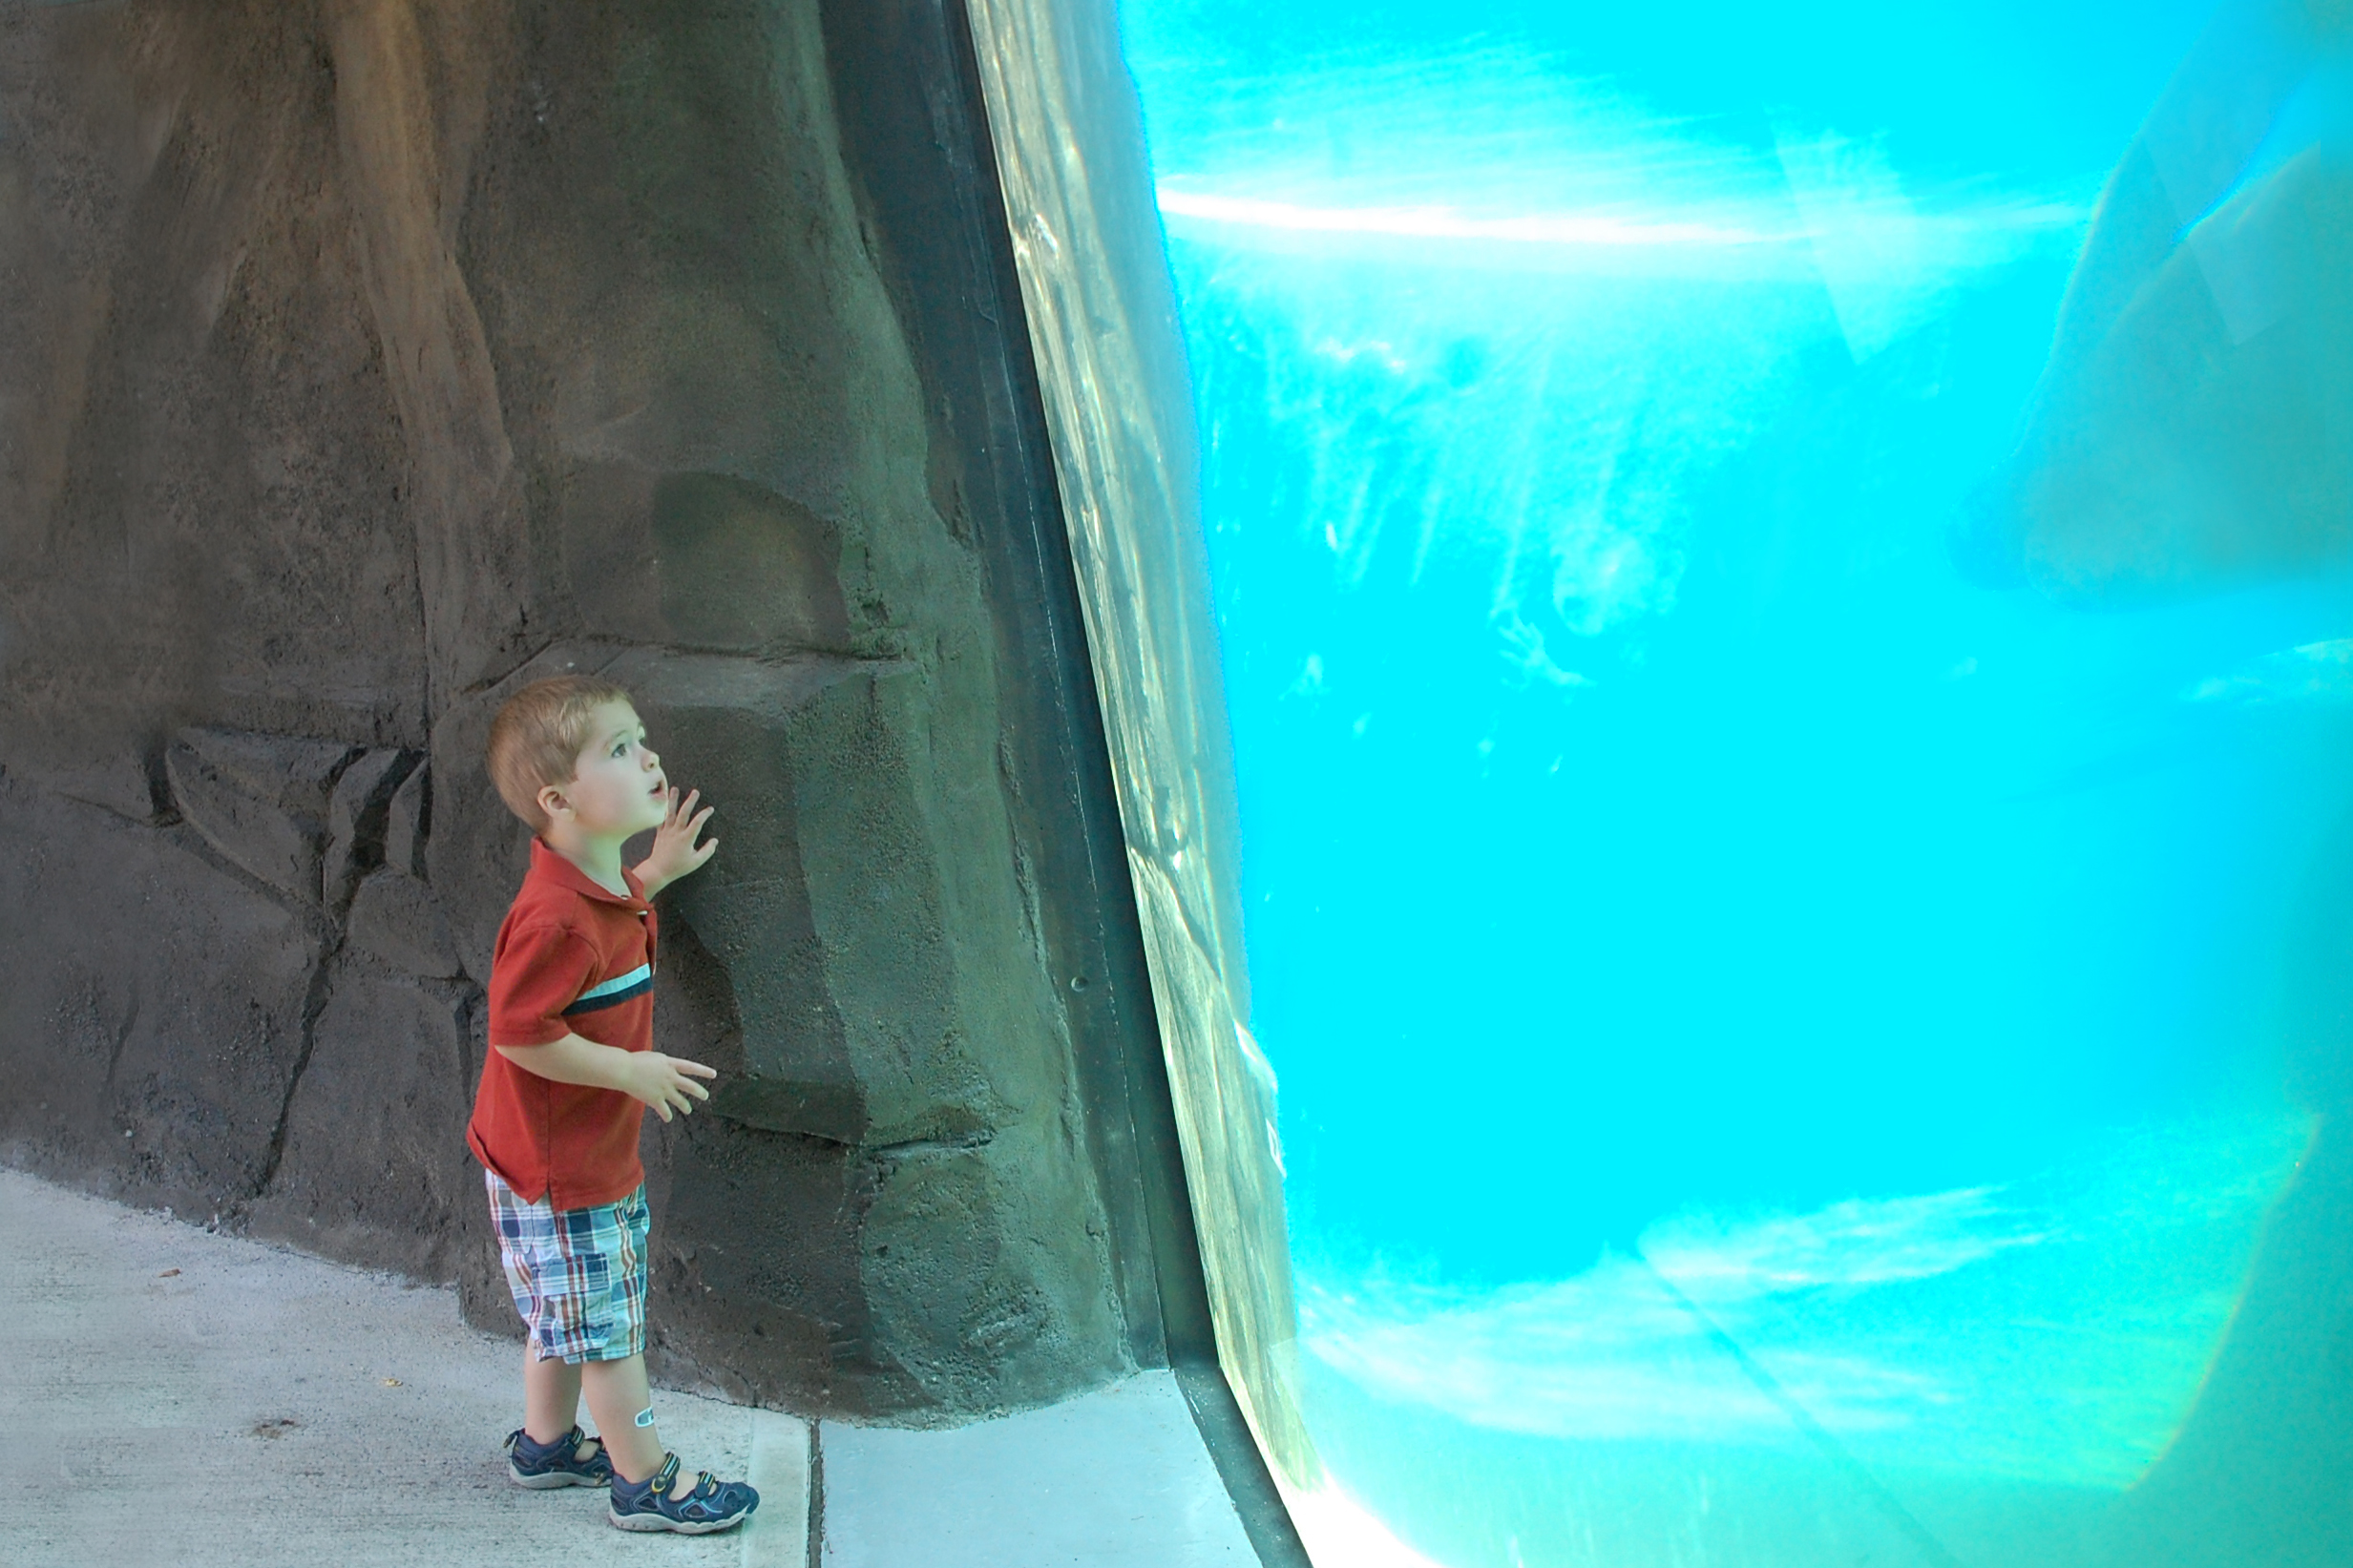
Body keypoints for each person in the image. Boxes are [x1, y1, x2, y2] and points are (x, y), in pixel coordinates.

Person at [465, 674, 760, 1535]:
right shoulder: (553, 918)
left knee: (565, 1316)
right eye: (621, 750)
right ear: (558, 801)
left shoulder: (592, 889)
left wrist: (656, 871)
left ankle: (545, 1446)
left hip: (555, 1162)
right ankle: (644, 1482)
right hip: (564, 1173)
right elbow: (518, 1032)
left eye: (641, 738)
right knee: (607, 1334)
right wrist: (629, 1069)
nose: (649, 757)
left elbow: (611, 913)